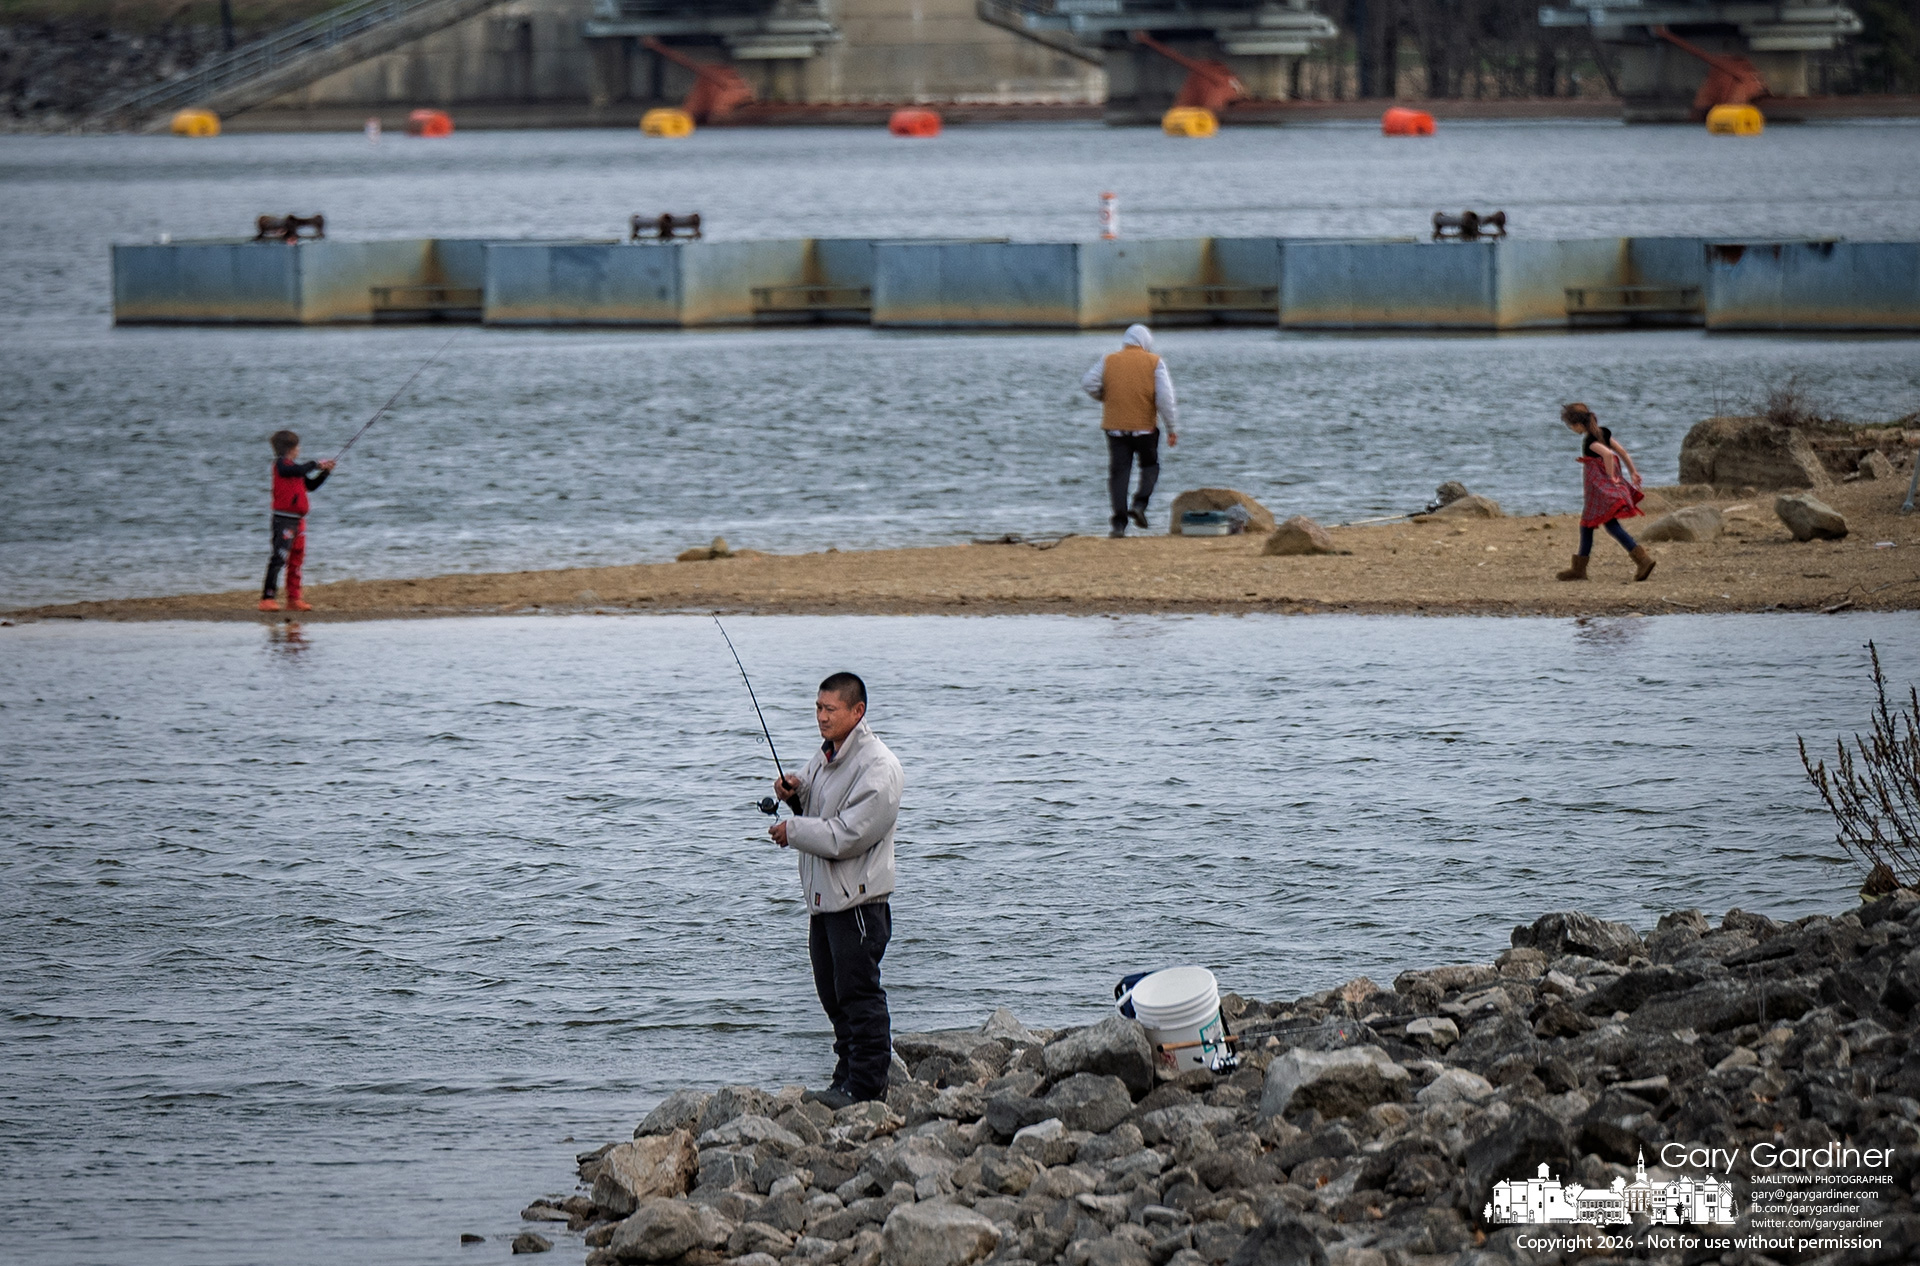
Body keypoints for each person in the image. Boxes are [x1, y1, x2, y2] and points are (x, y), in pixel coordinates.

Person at [768, 672, 903, 1107]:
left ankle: (866, 1087)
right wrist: (795, 794)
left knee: (859, 995)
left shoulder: (879, 768)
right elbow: (818, 807)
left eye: (830, 710)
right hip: (825, 901)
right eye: (818, 708)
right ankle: (845, 1078)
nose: (821, 717)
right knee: (832, 996)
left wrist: (793, 830)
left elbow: (845, 836)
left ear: (857, 712)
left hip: (859, 903)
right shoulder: (828, 755)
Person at [1081, 323, 1179, 538]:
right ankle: (1139, 504)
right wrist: (1171, 427)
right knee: (1150, 466)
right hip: (1144, 428)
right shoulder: (1155, 362)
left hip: (1115, 428)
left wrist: (1105, 397)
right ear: (1146, 342)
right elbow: (1165, 398)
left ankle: (1118, 524)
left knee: (1119, 474)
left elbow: (1088, 382)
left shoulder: (1109, 360)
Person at [1556, 403, 1654, 582]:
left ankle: (1642, 560)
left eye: (1570, 425)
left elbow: (1608, 455)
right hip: (1604, 489)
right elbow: (1622, 452)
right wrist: (1633, 471)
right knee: (1594, 525)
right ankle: (1580, 568)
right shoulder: (1603, 433)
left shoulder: (1590, 441)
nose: (1571, 429)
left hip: (1601, 489)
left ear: (1577, 424)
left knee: (1595, 524)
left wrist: (1611, 479)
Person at [261, 430, 334, 612]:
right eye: (297, 447)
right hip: (283, 520)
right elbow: (296, 469)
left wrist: (325, 473)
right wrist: (316, 464)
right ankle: (267, 598)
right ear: (291, 449)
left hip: (298, 521)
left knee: (296, 560)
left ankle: (294, 599)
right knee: (279, 558)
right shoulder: (281, 466)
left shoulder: (296, 469)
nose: (299, 449)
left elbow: (310, 486)